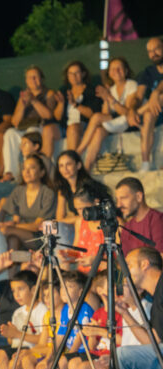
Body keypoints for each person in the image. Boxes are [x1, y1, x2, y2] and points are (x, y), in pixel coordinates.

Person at [1, 65, 60, 182]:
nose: (33, 80)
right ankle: (10, 172)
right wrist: (23, 103)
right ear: (26, 81)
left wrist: (33, 100)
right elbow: (14, 122)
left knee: (30, 135)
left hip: (40, 128)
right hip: (24, 127)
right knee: (10, 133)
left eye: (35, 77)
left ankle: (27, 172)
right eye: (30, 78)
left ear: (42, 79)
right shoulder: (24, 95)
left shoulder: (49, 93)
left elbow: (48, 115)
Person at [77, 57, 136, 170]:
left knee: (96, 116)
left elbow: (127, 112)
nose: (116, 71)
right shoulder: (112, 89)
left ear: (126, 71)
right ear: (109, 73)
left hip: (129, 122)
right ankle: (87, 168)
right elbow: (106, 114)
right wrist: (105, 99)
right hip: (116, 122)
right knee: (99, 131)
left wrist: (109, 97)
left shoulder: (131, 84)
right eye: (113, 69)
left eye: (119, 68)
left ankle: (79, 151)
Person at [0, 154, 56, 251]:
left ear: (42, 172)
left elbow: (37, 226)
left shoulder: (48, 193)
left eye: (32, 168)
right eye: (24, 168)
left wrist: (11, 226)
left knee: (5, 230)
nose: (26, 172)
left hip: (43, 236)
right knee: (13, 239)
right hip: (23, 234)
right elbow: (3, 203)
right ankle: (19, 263)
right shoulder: (19, 190)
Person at [126, 37, 163, 172]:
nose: (153, 53)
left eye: (157, 48)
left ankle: (129, 118)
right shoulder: (148, 72)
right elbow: (138, 96)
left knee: (160, 98)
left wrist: (156, 93)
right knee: (147, 116)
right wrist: (131, 110)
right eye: (150, 51)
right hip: (156, 112)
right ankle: (146, 163)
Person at [52, 150, 111, 230]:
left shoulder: (88, 186)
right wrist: (78, 219)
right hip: (80, 224)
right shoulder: (63, 189)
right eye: (61, 166)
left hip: (98, 224)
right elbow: (59, 219)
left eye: (68, 164)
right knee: (57, 227)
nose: (65, 169)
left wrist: (76, 219)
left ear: (78, 165)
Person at [52, 61, 101, 151]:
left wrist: (75, 104)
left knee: (73, 128)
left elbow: (92, 115)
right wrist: (61, 103)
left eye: (76, 73)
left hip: (84, 126)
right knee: (48, 129)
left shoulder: (91, 90)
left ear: (83, 74)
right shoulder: (63, 91)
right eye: (70, 74)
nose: (73, 76)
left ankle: (72, 158)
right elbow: (57, 117)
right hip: (65, 127)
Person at [115, 177, 163, 255]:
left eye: (123, 198)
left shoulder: (157, 220)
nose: (118, 205)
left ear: (139, 197)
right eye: (117, 200)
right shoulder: (127, 226)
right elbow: (123, 261)